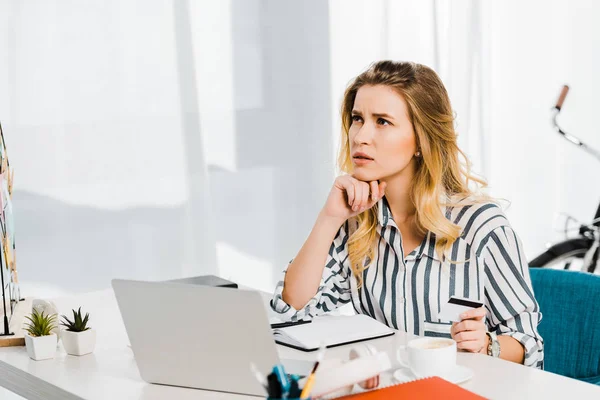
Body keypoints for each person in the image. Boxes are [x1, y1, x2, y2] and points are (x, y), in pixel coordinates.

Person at [270, 61, 543, 387]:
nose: (361, 136)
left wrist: (488, 345)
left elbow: (530, 345)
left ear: (420, 140)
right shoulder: (360, 222)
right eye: (358, 119)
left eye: (382, 122)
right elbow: (291, 312)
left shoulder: (481, 228)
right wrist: (328, 219)